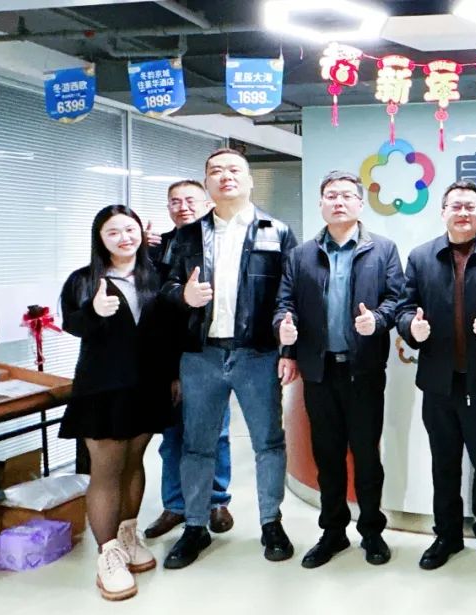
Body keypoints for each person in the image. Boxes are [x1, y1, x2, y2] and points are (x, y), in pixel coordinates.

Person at [160, 148, 297, 569]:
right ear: (207, 183)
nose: (225, 177)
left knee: (268, 443)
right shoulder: (185, 236)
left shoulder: (277, 231)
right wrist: (183, 296)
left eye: (234, 169)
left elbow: (289, 295)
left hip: (257, 354)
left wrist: (287, 348)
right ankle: (195, 526)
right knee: (197, 445)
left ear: (250, 180)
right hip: (201, 356)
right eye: (216, 171)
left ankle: (271, 523)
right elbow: (164, 289)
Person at [273, 171, 402, 569]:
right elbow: (285, 303)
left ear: (360, 204)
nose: (339, 202)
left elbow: (397, 299)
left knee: (366, 456)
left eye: (347, 195)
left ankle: (372, 531)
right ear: (321, 204)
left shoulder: (383, 250)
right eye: (331, 195)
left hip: (364, 370)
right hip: (319, 371)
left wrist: (377, 320)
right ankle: (333, 532)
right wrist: (284, 330)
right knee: (327, 456)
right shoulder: (301, 255)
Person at [396, 180, 476, 571]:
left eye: (470, 206)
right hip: (438, 383)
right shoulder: (420, 257)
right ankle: (446, 536)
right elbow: (404, 308)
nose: (463, 213)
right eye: (455, 206)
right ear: (443, 212)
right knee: (444, 463)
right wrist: (410, 329)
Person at [58, 205, 174, 600]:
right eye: (113, 232)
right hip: (102, 388)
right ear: (100, 239)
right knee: (106, 470)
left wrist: (174, 375)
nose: (124, 237)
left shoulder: (156, 276)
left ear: (142, 232)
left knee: (134, 463)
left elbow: (170, 330)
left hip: (148, 386)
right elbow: (72, 324)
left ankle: (127, 535)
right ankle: (107, 555)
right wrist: (93, 311)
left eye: (130, 229)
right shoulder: (84, 280)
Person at [144, 180, 234, 539]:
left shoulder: (224, 243)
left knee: (217, 434)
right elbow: (151, 308)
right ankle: (176, 505)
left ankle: (216, 501)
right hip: (169, 357)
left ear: (208, 204)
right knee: (173, 438)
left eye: (190, 200)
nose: (182, 207)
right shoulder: (157, 249)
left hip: (211, 355)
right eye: (175, 201)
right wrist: (141, 253)